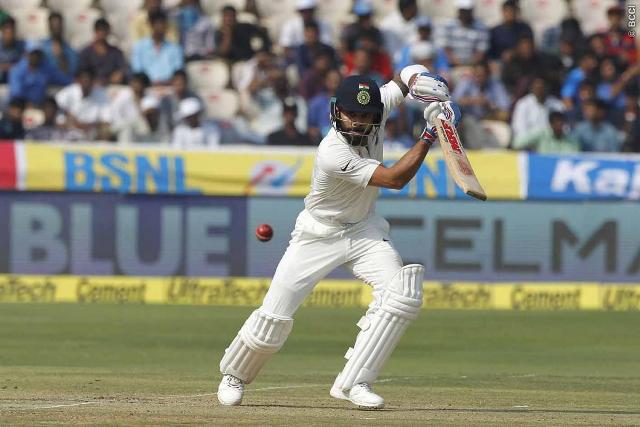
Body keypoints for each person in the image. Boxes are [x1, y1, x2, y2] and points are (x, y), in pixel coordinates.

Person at [216, 66, 457, 409]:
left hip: (364, 230)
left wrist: (421, 79)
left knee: (402, 294)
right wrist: (432, 133)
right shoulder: (332, 152)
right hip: (318, 234)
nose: (358, 122)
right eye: (351, 114)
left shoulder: (377, 108)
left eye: (365, 115)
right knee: (274, 317)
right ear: (336, 112)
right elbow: (394, 180)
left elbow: (403, 80)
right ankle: (235, 375)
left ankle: (355, 382)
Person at [131, 10, 184, 85]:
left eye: (164, 24)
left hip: (169, 87)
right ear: (151, 25)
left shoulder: (175, 48)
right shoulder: (139, 47)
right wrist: (150, 83)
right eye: (159, 23)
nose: (162, 27)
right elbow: (137, 71)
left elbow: (178, 72)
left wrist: (164, 83)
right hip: (146, 87)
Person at [77, 18, 128, 85]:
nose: (102, 33)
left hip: (112, 86)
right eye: (100, 30)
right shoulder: (86, 53)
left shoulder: (116, 52)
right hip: (92, 87)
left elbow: (124, 68)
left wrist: (120, 73)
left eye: (105, 30)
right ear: (95, 31)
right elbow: (82, 72)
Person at [512, 111, 579, 153]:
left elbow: (573, 157)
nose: (559, 125)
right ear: (550, 124)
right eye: (556, 122)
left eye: (561, 122)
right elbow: (517, 143)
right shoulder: (540, 134)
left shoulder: (571, 141)